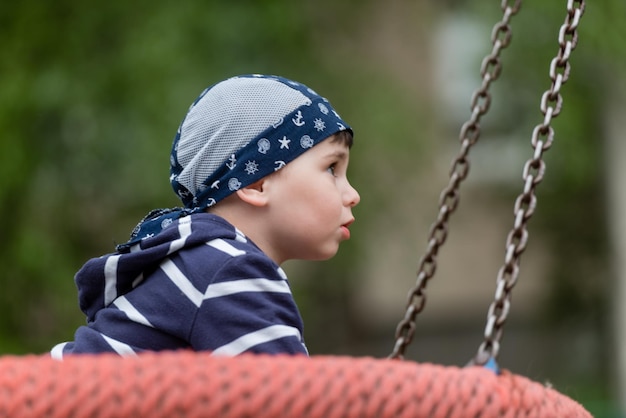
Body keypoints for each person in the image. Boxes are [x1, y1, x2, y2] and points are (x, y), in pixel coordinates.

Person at [51, 74, 360, 359]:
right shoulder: (232, 268)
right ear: (256, 183)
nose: (353, 195)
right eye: (332, 168)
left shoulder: (201, 260)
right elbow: (290, 401)